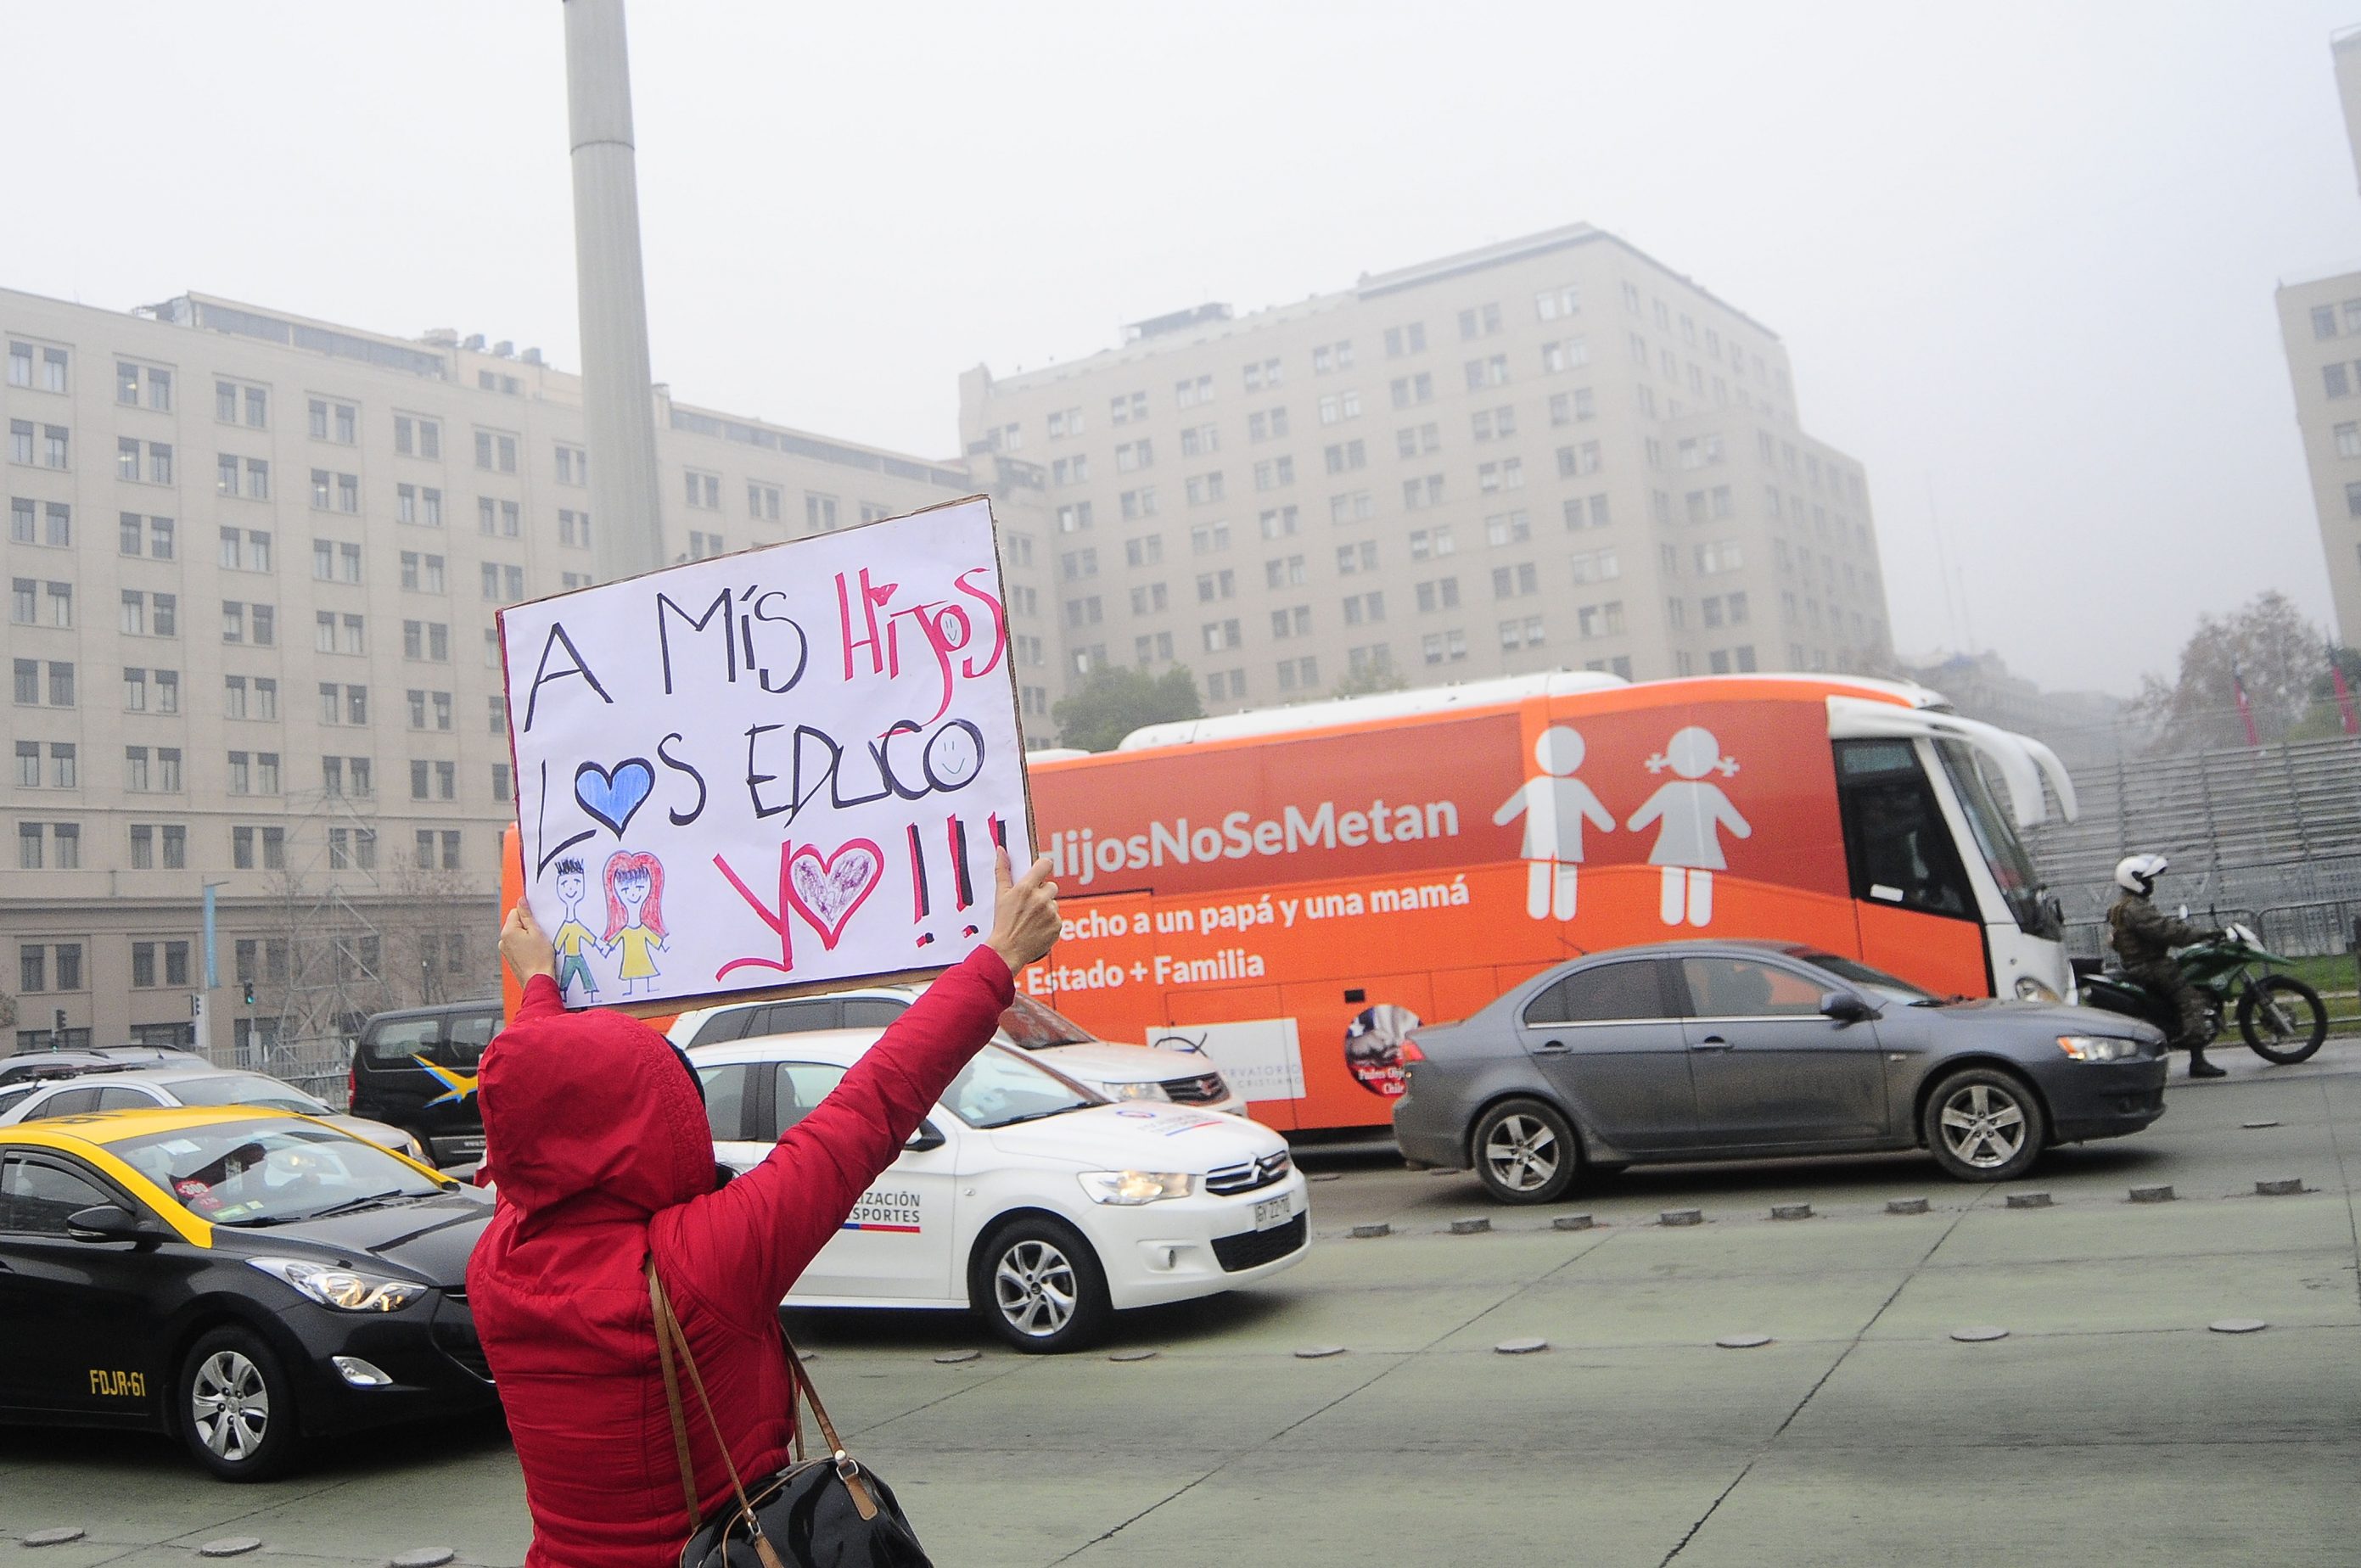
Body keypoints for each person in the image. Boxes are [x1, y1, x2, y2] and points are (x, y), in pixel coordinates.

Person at [467, 848, 1062, 1568]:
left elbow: (538, 1113)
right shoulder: (702, 1263)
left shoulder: (495, 1264)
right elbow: (869, 1106)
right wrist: (996, 961)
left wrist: (538, 987)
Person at [2106, 853, 2225, 1078]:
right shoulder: (2135, 908)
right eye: (2147, 879)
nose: (2151, 884)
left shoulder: (2122, 906)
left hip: (2138, 964)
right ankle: (2198, 1061)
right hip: (2151, 965)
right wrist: (2203, 934)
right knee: (2191, 1000)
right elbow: (2164, 931)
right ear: (2135, 880)